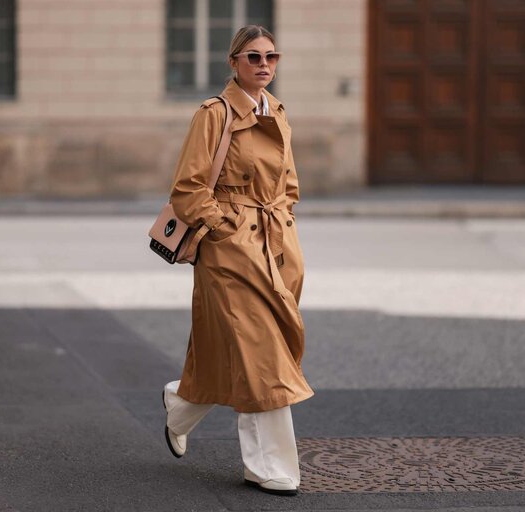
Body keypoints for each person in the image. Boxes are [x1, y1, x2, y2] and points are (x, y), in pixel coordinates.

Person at [162, 25, 314, 496]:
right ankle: (269, 466)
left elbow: (287, 184)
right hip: (230, 251)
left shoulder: (279, 112)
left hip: (276, 247)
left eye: (272, 56)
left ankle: (181, 404)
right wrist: (225, 228)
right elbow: (187, 188)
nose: (264, 64)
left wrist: (283, 218)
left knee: (244, 350)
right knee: (262, 353)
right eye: (253, 57)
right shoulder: (215, 113)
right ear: (233, 62)